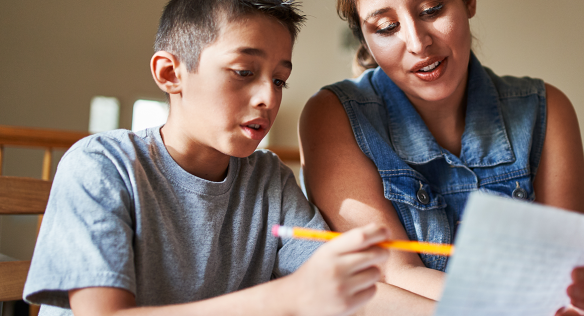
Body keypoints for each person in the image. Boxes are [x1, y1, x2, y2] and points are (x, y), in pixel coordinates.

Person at [22, 1, 390, 315]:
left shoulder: (269, 181)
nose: (268, 97)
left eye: (279, 80)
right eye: (244, 72)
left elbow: (347, 293)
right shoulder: (101, 165)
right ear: (170, 73)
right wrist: (289, 296)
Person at [299, 0, 584, 315]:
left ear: (469, 2)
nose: (417, 43)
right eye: (387, 27)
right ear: (365, 35)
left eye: (432, 9)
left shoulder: (547, 110)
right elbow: (390, 275)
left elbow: (565, 281)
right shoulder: (334, 116)